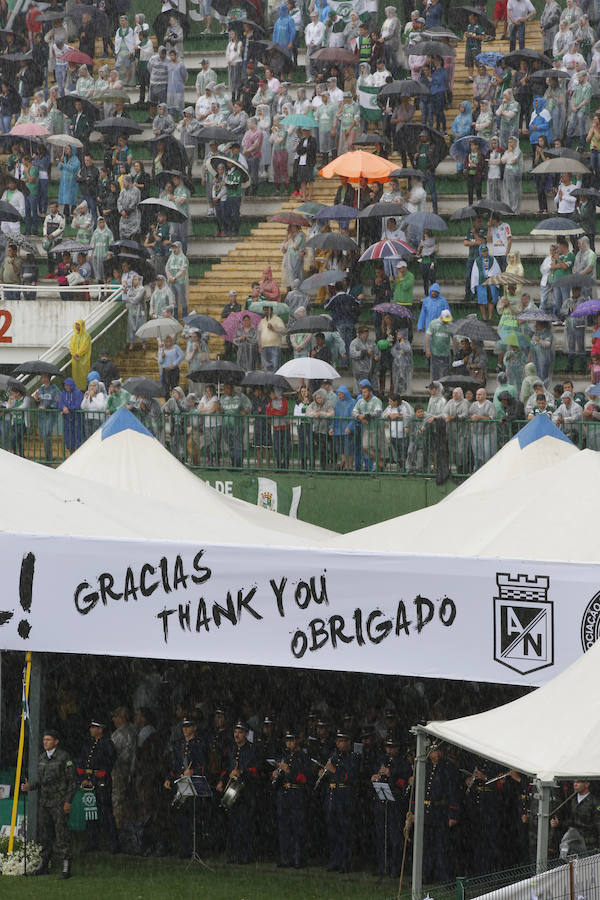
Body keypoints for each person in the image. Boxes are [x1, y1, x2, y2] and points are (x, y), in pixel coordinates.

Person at [22, 729, 78, 879]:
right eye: (44, 740)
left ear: (56, 741)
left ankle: (66, 865)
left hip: (59, 801)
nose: (45, 742)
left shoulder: (64, 757)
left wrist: (68, 801)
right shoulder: (42, 758)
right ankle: (44, 864)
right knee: (45, 834)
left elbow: (73, 781)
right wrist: (30, 787)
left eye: (48, 740)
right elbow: (41, 781)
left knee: (61, 834)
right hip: (45, 802)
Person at [216, 721, 258, 864]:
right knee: (233, 824)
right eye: (235, 732)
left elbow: (255, 770)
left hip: (246, 791)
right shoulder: (231, 749)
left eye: (240, 732)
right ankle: (234, 853)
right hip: (232, 790)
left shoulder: (252, 749)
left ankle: (245, 854)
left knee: (245, 824)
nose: (237, 735)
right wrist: (221, 781)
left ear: (246, 734)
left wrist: (242, 772)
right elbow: (225, 767)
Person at [164, 717, 206, 859]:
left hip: (194, 783)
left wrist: (193, 771)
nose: (185, 730)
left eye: (188, 726)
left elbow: (203, 764)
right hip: (181, 782)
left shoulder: (199, 744)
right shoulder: (179, 745)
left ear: (194, 728)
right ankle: (185, 847)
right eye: (184, 727)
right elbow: (175, 764)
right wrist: (169, 778)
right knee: (182, 817)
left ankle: (196, 848)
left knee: (194, 817)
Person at [76, 718, 118, 853]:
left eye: (94, 727)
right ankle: (92, 841)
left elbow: (107, 765)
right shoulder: (88, 744)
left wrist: (93, 780)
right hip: (87, 783)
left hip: (101, 782)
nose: (91, 730)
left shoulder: (107, 744)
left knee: (106, 812)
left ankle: (112, 843)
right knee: (90, 812)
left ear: (100, 729)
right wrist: (83, 778)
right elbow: (81, 762)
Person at [319, 729, 358, 873]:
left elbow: (350, 777)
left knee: (345, 832)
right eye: (338, 741)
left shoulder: (352, 757)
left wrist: (334, 771)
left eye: (342, 741)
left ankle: (345, 863)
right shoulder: (333, 756)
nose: (339, 744)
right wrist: (323, 772)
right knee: (332, 832)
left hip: (343, 796)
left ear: (348, 742)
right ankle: (335, 860)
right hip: (332, 796)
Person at [110, 707, 137, 832]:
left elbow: (111, 754)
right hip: (129, 770)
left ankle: (118, 829)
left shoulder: (118, 735)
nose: (113, 719)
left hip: (118, 770)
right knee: (127, 799)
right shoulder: (133, 731)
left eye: (115, 716)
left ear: (122, 718)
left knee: (117, 800)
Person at [353, 379, 384, 470]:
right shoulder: (360, 401)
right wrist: (360, 417)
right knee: (365, 447)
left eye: (365, 392)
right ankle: (380, 462)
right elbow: (354, 412)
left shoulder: (376, 400)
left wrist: (366, 416)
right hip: (366, 428)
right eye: (362, 392)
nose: (363, 394)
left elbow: (378, 412)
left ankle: (377, 468)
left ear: (370, 392)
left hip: (376, 427)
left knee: (376, 448)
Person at [33, 373, 61, 461]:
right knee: (44, 435)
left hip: (50, 414)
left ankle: (49, 458)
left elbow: (57, 400)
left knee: (47, 434)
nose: (42, 379)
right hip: (42, 416)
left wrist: (47, 407)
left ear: (48, 378)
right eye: (41, 377)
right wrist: (36, 400)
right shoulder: (40, 389)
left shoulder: (55, 388)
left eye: (44, 377)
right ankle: (48, 457)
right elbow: (39, 402)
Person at [470, 386, 497, 469]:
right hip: (476, 432)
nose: (478, 396)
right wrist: (472, 417)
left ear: (485, 395)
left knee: (488, 453)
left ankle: (490, 470)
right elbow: (469, 415)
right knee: (477, 454)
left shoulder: (490, 405)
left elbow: (492, 417)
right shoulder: (473, 405)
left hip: (487, 433)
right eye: (477, 394)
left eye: (480, 394)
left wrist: (479, 417)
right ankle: (478, 471)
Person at [426, 309, 453, 380]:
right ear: (441, 317)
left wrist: (456, 351)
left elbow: (454, 338)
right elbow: (428, 336)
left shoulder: (450, 325)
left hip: (446, 353)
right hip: (435, 352)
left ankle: (445, 385)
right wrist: (427, 349)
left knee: (446, 373)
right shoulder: (433, 323)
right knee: (435, 373)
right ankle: (435, 384)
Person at [258, 305, 286, 372]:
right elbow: (259, 334)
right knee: (266, 367)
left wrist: (273, 328)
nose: (266, 311)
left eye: (268, 309)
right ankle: (267, 378)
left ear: (271, 310)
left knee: (275, 366)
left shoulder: (277, 319)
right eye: (265, 310)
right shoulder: (262, 321)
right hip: (264, 347)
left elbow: (284, 331)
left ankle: (275, 378)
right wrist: (259, 345)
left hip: (275, 346)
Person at [165, 242, 189, 319]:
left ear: (179, 248)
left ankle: (184, 315)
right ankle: (174, 315)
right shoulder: (170, 258)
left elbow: (183, 270)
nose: (174, 249)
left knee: (182, 298)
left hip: (180, 282)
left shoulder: (183, 258)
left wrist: (175, 277)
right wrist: (170, 277)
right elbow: (167, 268)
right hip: (171, 282)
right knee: (173, 299)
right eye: (173, 248)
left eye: (175, 247)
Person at [158, 334, 184, 398]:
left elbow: (182, 356)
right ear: (165, 342)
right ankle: (167, 401)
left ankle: (175, 400)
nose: (169, 343)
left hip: (174, 370)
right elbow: (160, 361)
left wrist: (175, 364)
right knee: (166, 387)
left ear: (172, 341)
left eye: (170, 341)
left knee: (174, 387)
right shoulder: (161, 349)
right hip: (166, 370)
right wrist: (162, 356)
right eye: (167, 342)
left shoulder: (176, 347)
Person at [57, 144, 80, 216]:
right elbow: (59, 168)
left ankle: (73, 212)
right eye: (66, 148)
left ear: (72, 150)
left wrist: (64, 165)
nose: (66, 150)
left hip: (72, 181)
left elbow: (73, 169)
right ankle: (66, 211)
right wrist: (61, 161)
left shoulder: (75, 159)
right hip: (64, 181)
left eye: (68, 149)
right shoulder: (64, 158)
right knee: (65, 197)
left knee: (72, 196)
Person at [69, 320, 92, 391]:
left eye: (78, 325)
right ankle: (76, 389)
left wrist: (77, 354)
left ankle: (84, 390)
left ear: (82, 326)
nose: (77, 326)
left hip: (83, 360)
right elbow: (71, 346)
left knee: (83, 375)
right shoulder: (74, 336)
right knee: (76, 375)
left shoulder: (86, 336)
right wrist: (74, 354)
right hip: (75, 360)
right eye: (76, 325)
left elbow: (85, 347)